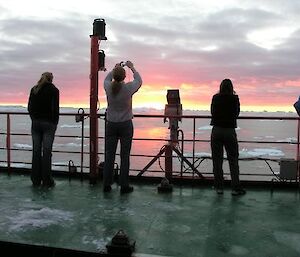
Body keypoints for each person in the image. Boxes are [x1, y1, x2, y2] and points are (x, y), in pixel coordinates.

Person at [103, 61, 142, 194]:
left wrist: (115, 68)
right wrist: (132, 67)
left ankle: (107, 184)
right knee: (124, 156)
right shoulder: (128, 88)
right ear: (125, 77)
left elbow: (107, 78)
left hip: (111, 124)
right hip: (125, 124)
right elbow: (139, 80)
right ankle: (124, 185)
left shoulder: (108, 87)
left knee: (109, 155)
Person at [210, 79, 246, 196]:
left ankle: (219, 187)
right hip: (229, 131)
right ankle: (235, 188)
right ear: (231, 87)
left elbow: (212, 112)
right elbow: (236, 113)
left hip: (216, 130)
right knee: (233, 160)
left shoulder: (215, 98)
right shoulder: (234, 99)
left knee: (217, 160)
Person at [28, 72, 59, 187]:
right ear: (51, 79)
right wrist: (54, 122)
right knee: (47, 152)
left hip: (35, 123)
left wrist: (34, 118)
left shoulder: (34, 89)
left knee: (36, 151)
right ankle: (47, 180)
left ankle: (35, 179)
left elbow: (29, 107)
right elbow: (55, 109)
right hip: (49, 124)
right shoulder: (54, 90)